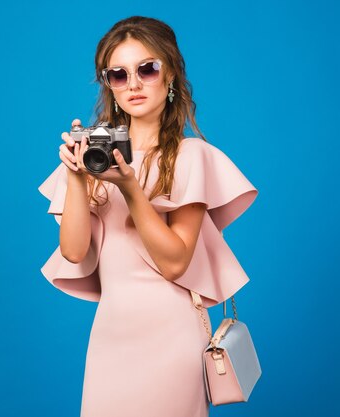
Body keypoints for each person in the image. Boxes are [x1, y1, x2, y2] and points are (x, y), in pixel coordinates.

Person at [38, 16, 258, 417]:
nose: (134, 83)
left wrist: (130, 188)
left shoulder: (191, 157)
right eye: (119, 75)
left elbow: (175, 262)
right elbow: (73, 251)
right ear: (109, 84)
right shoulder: (96, 158)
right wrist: (75, 176)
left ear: (169, 71)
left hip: (170, 340)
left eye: (147, 68)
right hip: (110, 336)